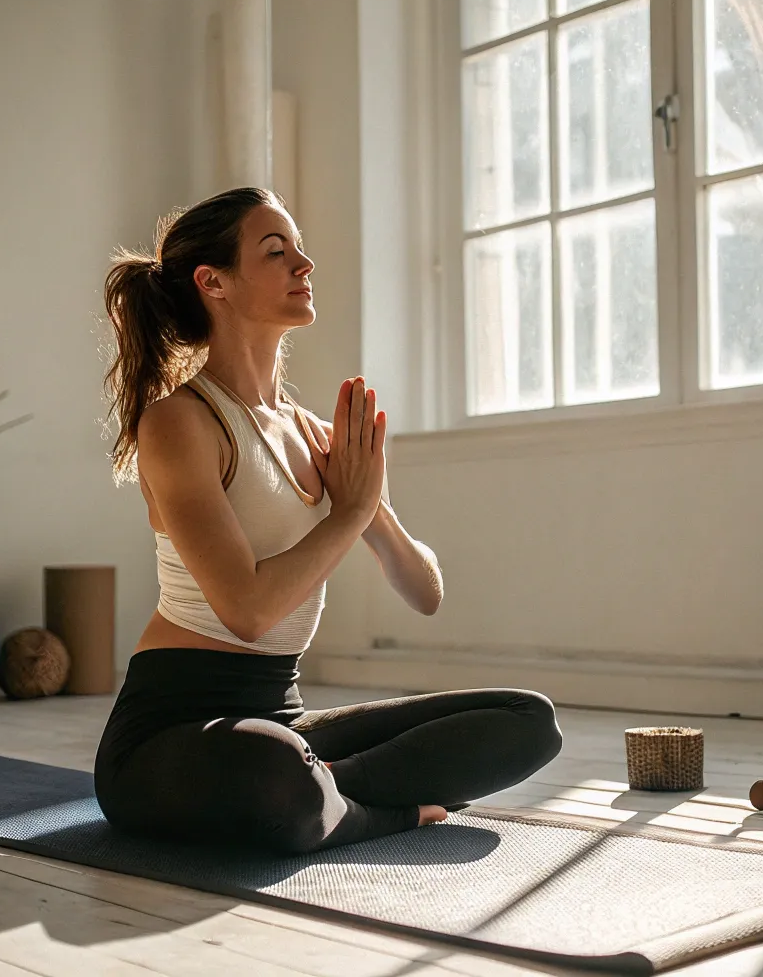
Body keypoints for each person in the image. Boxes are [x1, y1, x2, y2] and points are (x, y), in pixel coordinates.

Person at [93, 187, 563, 855]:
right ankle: (374, 808)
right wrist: (347, 515)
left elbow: (423, 593)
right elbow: (246, 611)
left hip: (282, 717)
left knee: (527, 721)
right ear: (213, 283)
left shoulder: (318, 436)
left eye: (300, 249)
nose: (304, 264)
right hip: (172, 733)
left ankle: (329, 791)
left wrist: (373, 508)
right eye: (277, 251)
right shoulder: (180, 423)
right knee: (273, 770)